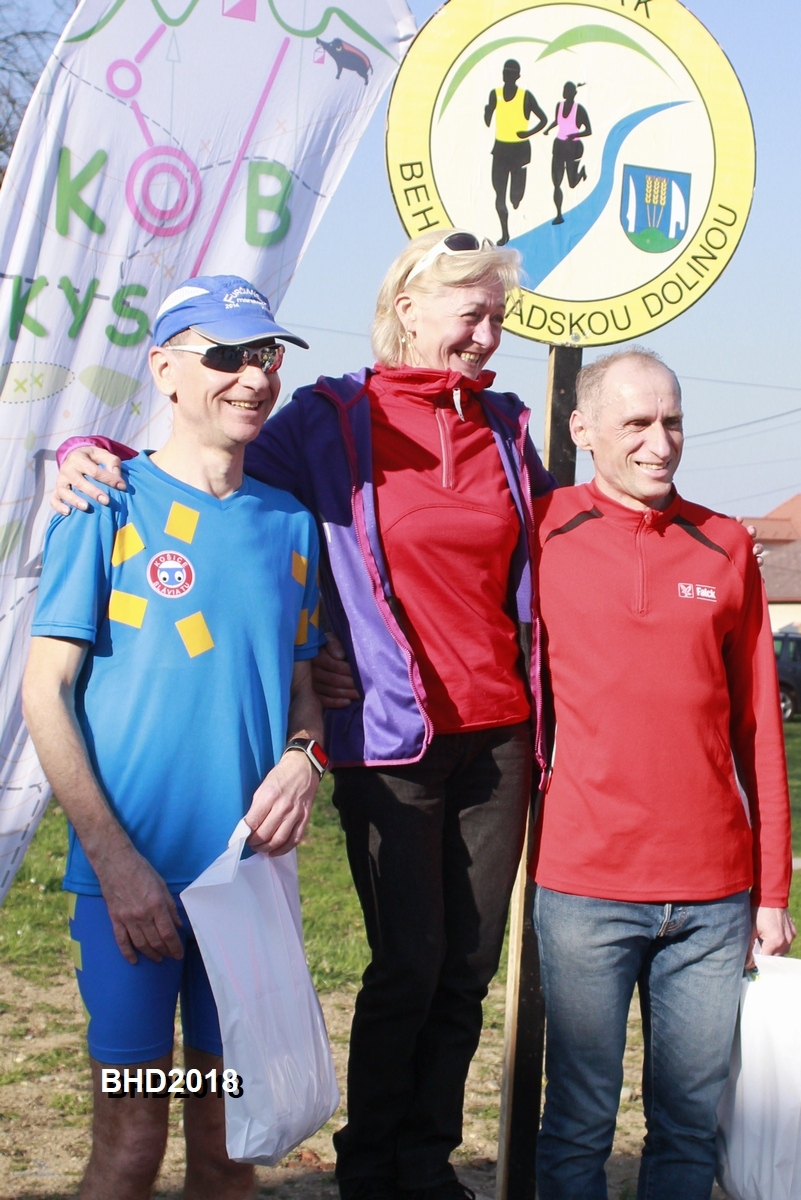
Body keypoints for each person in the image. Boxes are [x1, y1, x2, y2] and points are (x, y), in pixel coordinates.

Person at [52, 231, 557, 1200]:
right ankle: (373, 1169)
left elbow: (555, 550)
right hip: (380, 744)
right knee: (139, 1128)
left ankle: (424, 1167)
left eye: (499, 318)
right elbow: (196, 453)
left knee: (457, 971)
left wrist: (300, 735)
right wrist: (86, 452)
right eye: (471, 314)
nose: (488, 335)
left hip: (472, 746)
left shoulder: (502, 428)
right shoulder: (328, 421)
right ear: (407, 307)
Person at [24, 276, 327, 1200]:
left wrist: (304, 756)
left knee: (228, 1149)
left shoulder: (290, 523)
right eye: (226, 356)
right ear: (165, 369)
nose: (253, 377)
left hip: (243, 892)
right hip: (130, 892)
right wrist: (118, 867)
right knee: (130, 1142)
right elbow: (45, 695)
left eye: (265, 355)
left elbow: (304, 691)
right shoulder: (104, 503)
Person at [529, 347, 794, 1200]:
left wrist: (771, 893)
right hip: (585, 887)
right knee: (577, 1123)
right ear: (582, 429)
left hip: (713, 899)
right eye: (636, 423)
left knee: (686, 1127)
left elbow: (759, 733)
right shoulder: (540, 530)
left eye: (672, 422)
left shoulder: (725, 544)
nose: (659, 443)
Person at [484, 59, 547, 244]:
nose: (507, 76)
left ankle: (516, 199)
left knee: (515, 198)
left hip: (520, 150)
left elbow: (543, 119)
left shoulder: (525, 96)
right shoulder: (495, 94)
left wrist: (528, 133)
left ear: (517, 76)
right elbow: (488, 121)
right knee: (500, 195)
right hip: (500, 150)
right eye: (505, 72)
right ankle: (505, 233)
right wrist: (487, 111)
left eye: (511, 73)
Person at [543, 81, 591, 224]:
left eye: (567, 90)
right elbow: (557, 121)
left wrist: (574, 135)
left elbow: (588, 130)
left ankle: (581, 173)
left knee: (571, 183)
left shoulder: (579, 110)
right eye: (564, 90)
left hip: (573, 148)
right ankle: (559, 214)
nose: (565, 93)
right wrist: (548, 129)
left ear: (573, 93)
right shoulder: (559, 106)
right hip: (559, 146)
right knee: (557, 182)